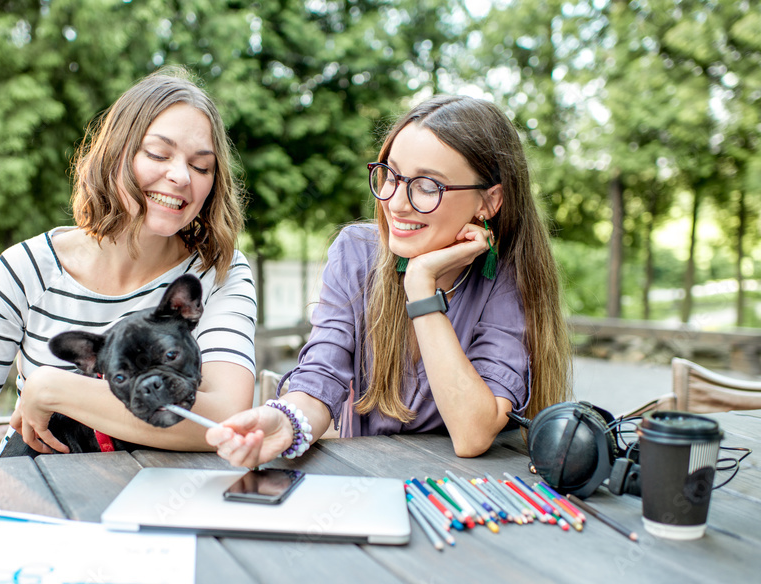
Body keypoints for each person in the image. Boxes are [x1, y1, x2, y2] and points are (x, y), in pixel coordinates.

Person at [206, 94, 571, 468]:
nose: (396, 203)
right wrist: (287, 422)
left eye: (428, 186)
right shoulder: (356, 253)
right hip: (373, 483)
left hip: (465, 495)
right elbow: (322, 373)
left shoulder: (505, 278)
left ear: (489, 201)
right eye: (391, 175)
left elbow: (473, 433)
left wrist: (420, 283)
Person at [0, 68, 257, 461]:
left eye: (202, 167)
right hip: (42, 495)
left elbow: (226, 417)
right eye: (157, 154)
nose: (181, 176)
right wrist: (14, 504)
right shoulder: (25, 269)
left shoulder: (218, 270)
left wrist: (52, 389)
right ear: (115, 153)